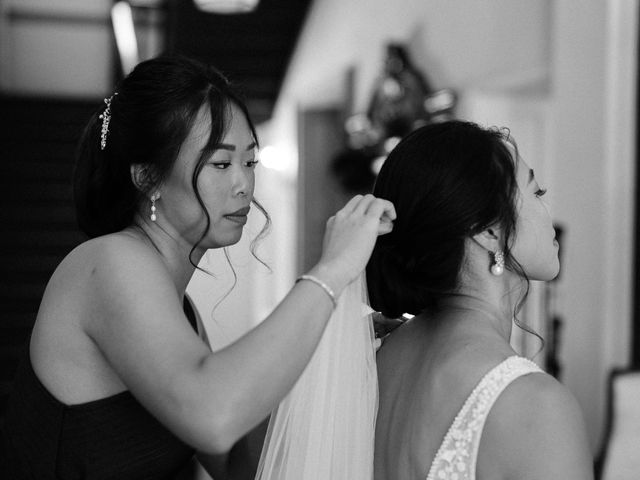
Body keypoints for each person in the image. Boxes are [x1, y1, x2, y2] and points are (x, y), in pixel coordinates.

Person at [0, 55, 395, 479]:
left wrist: (331, 347)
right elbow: (214, 417)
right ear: (147, 177)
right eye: (221, 164)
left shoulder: (183, 313)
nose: (244, 184)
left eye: (250, 162)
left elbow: (242, 465)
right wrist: (332, 270)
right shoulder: (109, 261)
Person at [368, 121, 593, 479]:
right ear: (488, 231)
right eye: (536, 193)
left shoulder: (380, 357)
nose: (547, 210)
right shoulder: (535, 405)